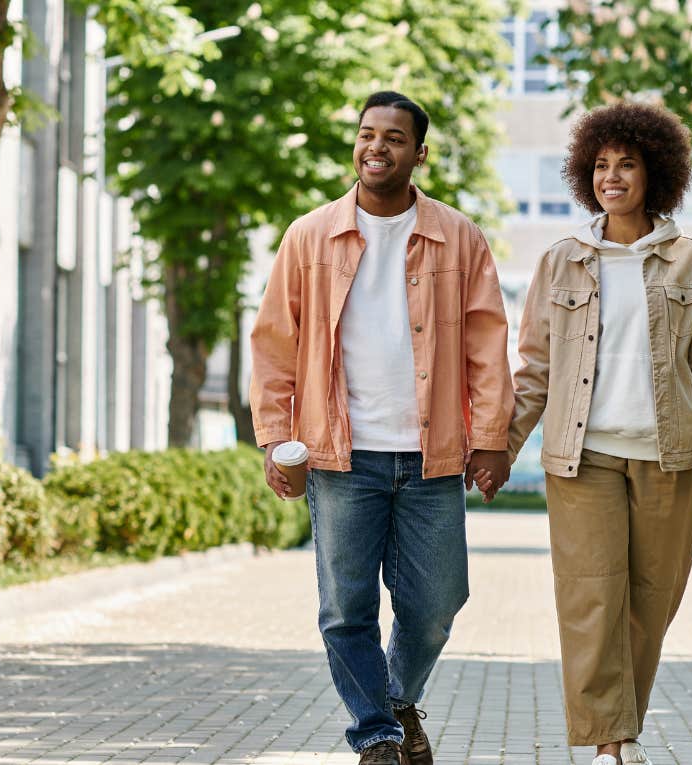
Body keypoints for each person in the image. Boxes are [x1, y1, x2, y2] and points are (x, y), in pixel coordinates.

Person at [250, 91, 513, 765]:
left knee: (436, 604)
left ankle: (394, 699)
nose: (377, 147)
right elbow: (275, 342)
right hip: (340, 453)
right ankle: (377, 735)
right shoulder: (310, 235)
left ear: (419, 153)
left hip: (431, 454)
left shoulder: (459, 237)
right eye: (368, 134)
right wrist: (274, 438)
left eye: (394, 138)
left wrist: (491, 436)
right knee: (346, 609)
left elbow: (486, 344)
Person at [489, 101, 692, 765]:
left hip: (667, 455)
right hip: (584, 458)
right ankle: (611, 744)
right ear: (585, 174)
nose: (612, 176)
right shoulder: (562, 260)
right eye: (600, 165)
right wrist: (501, 448)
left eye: (626, 164)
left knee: (651, 603)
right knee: (593, 597)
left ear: (654, 173)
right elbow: (534, 369)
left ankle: (616, 728)